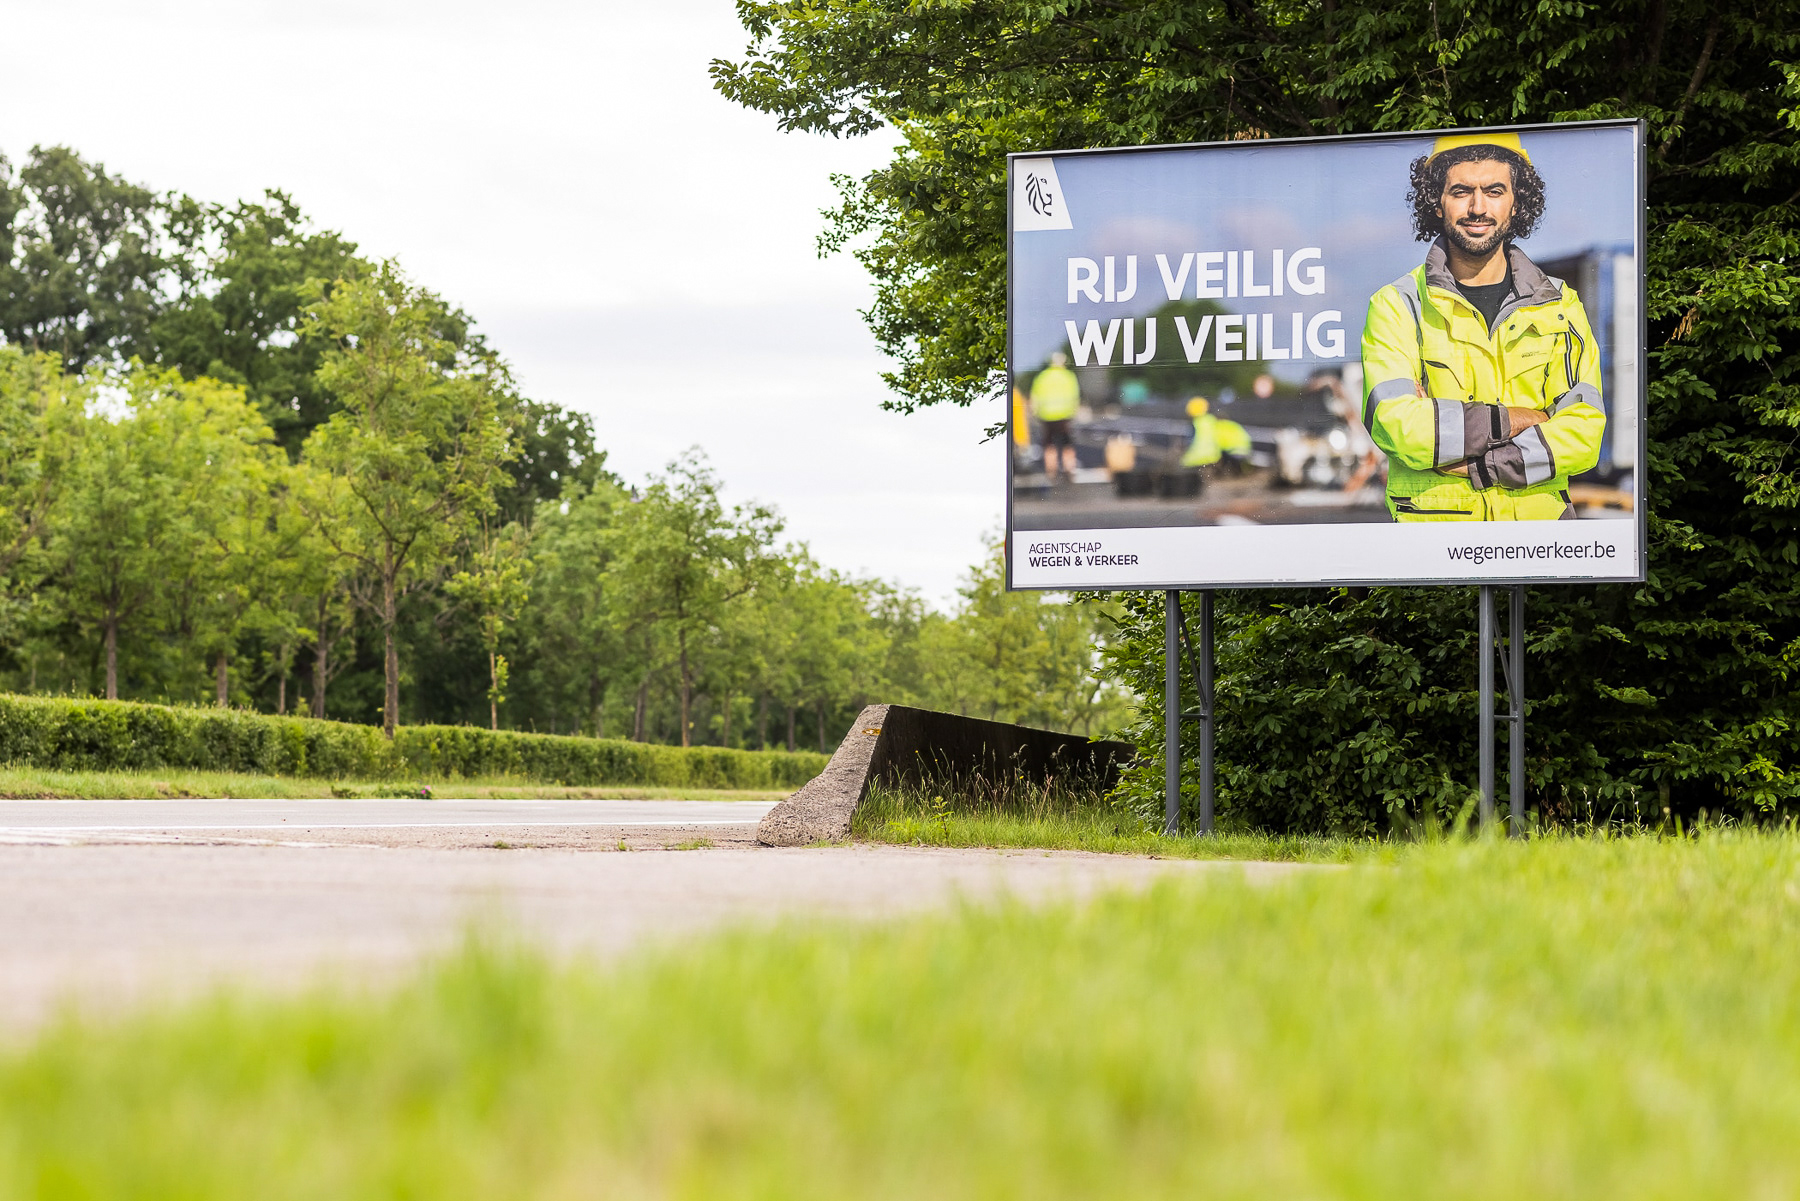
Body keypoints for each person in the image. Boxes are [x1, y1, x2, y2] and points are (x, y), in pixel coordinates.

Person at [1362, 132, 1605, 521]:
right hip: (1434, 549)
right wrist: (1521, 418)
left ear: (1516, 202)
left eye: (1494, 190)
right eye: (1461, 191)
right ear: (1437, 203)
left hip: (1540, 545)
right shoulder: (1397, 304)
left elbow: (1584, 432)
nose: (1478, 207)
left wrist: (1483, 466)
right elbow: (1400, 428)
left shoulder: (1560, 304)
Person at [1029, 352, 1081, 481]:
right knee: (1066, 443)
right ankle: (1069, 469)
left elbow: (1034, 397)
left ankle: (1051, 471)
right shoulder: (1069, 376)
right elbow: (1075, 396)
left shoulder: (1042, 377)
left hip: (1047, 415)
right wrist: (1074, 412)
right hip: (1064, 415)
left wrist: (1035, 413)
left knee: (1049, 443)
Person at [1180, 396, 1251, 468]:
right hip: (1235, 454)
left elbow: (1191, 444)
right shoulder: (1212, 421)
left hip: (1199, 460)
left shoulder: (1199, 423)